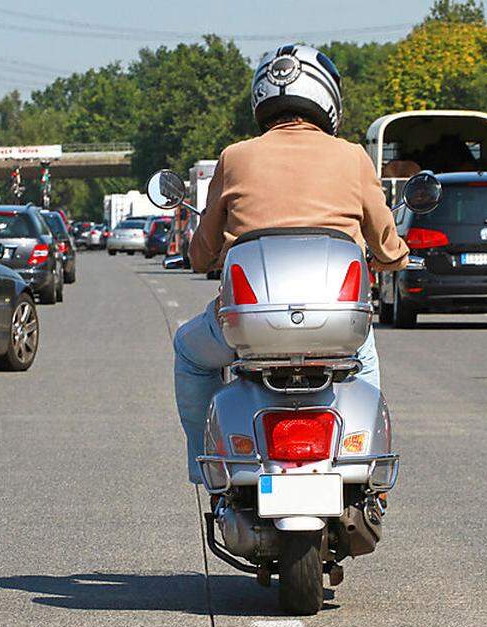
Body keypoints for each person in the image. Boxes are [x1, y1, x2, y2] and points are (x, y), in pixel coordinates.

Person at [173, 44, 411, 484]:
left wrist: (203, 253)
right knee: (364, 369)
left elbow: (201, 253)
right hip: (336, 328)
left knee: (188, 351)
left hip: (249, 327)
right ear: (327, 99)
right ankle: (366, 473)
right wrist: (393, 257)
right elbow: (387, 244)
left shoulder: (235, 156)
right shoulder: (353, 156)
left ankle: (206, 467)